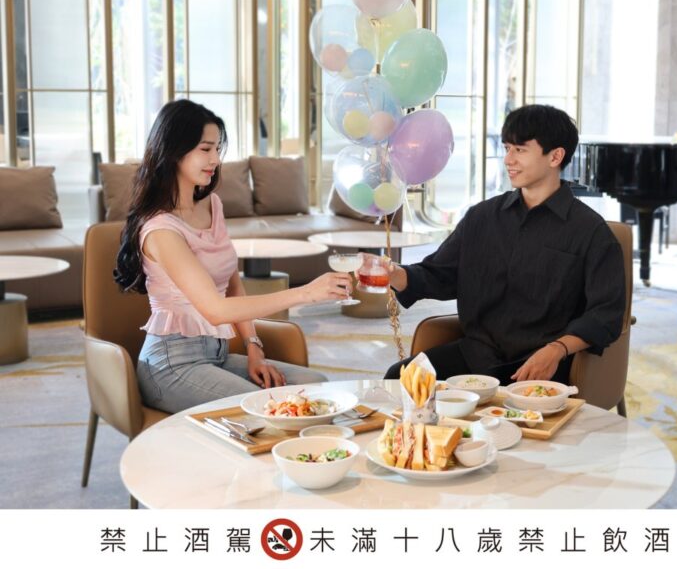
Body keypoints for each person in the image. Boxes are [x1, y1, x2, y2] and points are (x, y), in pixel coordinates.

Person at [114, 99, 350, 414]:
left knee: (318, 388)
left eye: (217, 149)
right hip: (170, 366)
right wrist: (306, 293)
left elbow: (232, 284)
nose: (215, 159)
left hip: (217, 356)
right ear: (174, 152)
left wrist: (253, 347)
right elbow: (215, 310)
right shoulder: (160, 230)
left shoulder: (212, 206)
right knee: (266, 409)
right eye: (205, 149)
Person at [382, 104, 626, 385]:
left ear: (555, 156)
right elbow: (440, 274)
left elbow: (605, 313)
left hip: (539, 366)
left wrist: (557, 349)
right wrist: (393, 274)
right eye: (507, 148)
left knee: (507, 413)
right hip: (476, 356)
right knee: (397, 380)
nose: (508, 159)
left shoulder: (591, 232)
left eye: (520, 150)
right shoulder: (482, 217)